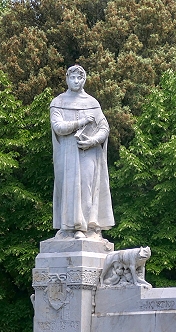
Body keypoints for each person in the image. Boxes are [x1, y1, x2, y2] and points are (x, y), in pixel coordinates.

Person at [50, 65, 114, 239]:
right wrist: (81, 122)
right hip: (66, 155)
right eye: (72, 78)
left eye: (79, 78)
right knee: (67, 189)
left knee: (86, 188)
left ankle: (83, 228)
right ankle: (67, 228)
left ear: (84, 80)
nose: (76, 81)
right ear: (67, 79)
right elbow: (58, 127)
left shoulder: (92, 103)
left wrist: (93, 141)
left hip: (88, 153)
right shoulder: (58, 102)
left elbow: (104, 128)